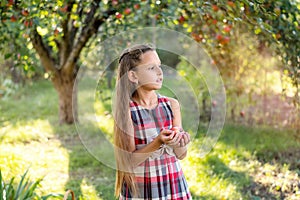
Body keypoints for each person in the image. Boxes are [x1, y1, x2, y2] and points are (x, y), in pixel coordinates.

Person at [113, 43, 192, 199]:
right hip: (144, 191)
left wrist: (181, 143)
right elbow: (128, 162)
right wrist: (158, 142)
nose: (160, 72)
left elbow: (181, 155)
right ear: (133, 76)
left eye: (159, 66)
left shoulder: (172, 105)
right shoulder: (127, 111)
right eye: (151, 68)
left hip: (174, 186)